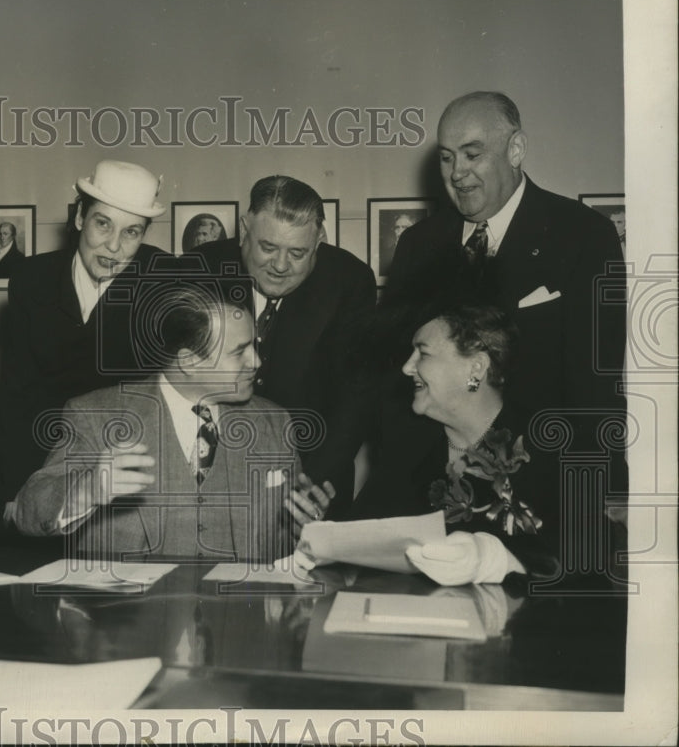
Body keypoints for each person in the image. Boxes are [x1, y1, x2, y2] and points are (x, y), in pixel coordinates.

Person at [11, 281, 335, 561]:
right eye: (240, 352)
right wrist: (88, 489)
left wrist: (302, 529)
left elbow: (278, 548)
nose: (258, 361)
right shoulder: (97, 415)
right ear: (189, 361)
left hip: (240, 623)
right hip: (123, 624)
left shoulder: (275, 424)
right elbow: (28, 510)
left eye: (255, 345)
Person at [383, 92, 626, 440]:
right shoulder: (417, 245)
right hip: (432, 473)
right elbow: (397, 379)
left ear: (515, 150)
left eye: (472, 154)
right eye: (447, 158)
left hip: (541, 467)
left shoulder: (583, 236)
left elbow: (595, 392)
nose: (456, 173)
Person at [0, 160, 173, 528]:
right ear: (79, 218)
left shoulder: (164, 280)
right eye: (102, 223)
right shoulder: (32, 279)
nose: (113, 246)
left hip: (127, 476)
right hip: (45, 469)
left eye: (132, 232)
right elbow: (15, 396)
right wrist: (15, 491)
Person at [188, 175, 376, 514]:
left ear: (319, 240)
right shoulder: (198, 271)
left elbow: (355, 401)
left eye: (298, 253)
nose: (280, 265)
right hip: (213, 485)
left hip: (313, 482)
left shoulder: (349, 281)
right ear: (245, 230)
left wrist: (308, 487)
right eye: (268, 247)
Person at [351, 304, 560, 583]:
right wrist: (313, 531)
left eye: (422, 353)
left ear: (476, 368)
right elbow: (363, 534)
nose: (406, 367)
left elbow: (584, 562)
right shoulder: (407, 442)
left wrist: (496, 560)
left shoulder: (549, 446)